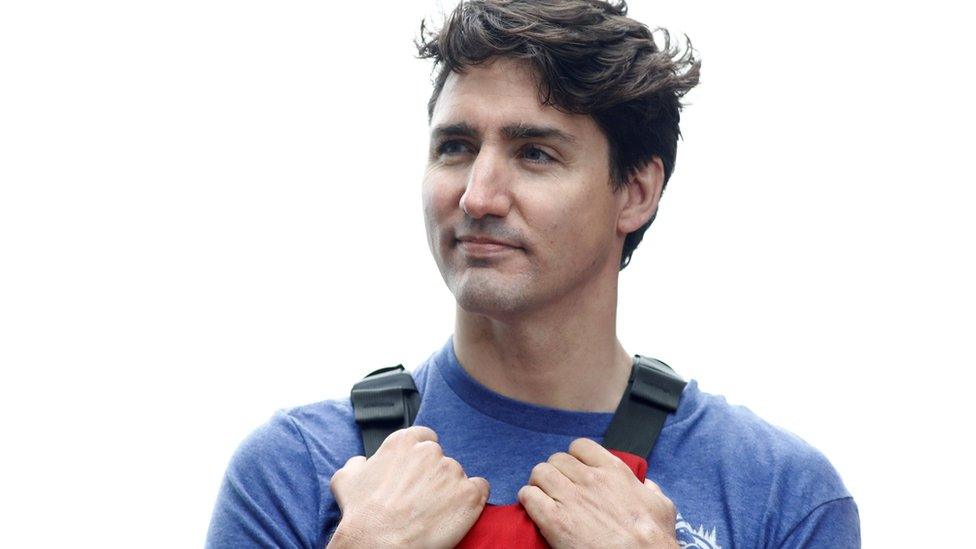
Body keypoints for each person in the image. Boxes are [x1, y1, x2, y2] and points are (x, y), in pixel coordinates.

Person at [206, 1, 860, 547]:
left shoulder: (779, 492)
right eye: (455, 147)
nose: (478, 196)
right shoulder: (294, 470)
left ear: (635, 190)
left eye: (535, 153)